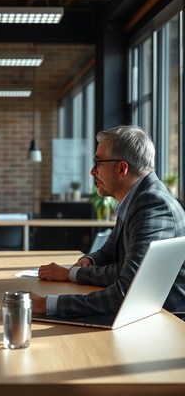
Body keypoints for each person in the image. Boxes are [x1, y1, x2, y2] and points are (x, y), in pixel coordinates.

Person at [31, 125, 185, 317]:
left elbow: (128, 290)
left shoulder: (151, 204)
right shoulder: (137, 197)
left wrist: (48, 304)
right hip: (149, 314)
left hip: (168, 320)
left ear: (122, 168)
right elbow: (111, 251)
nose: (92, 171)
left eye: (98, 162)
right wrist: (89, 261)